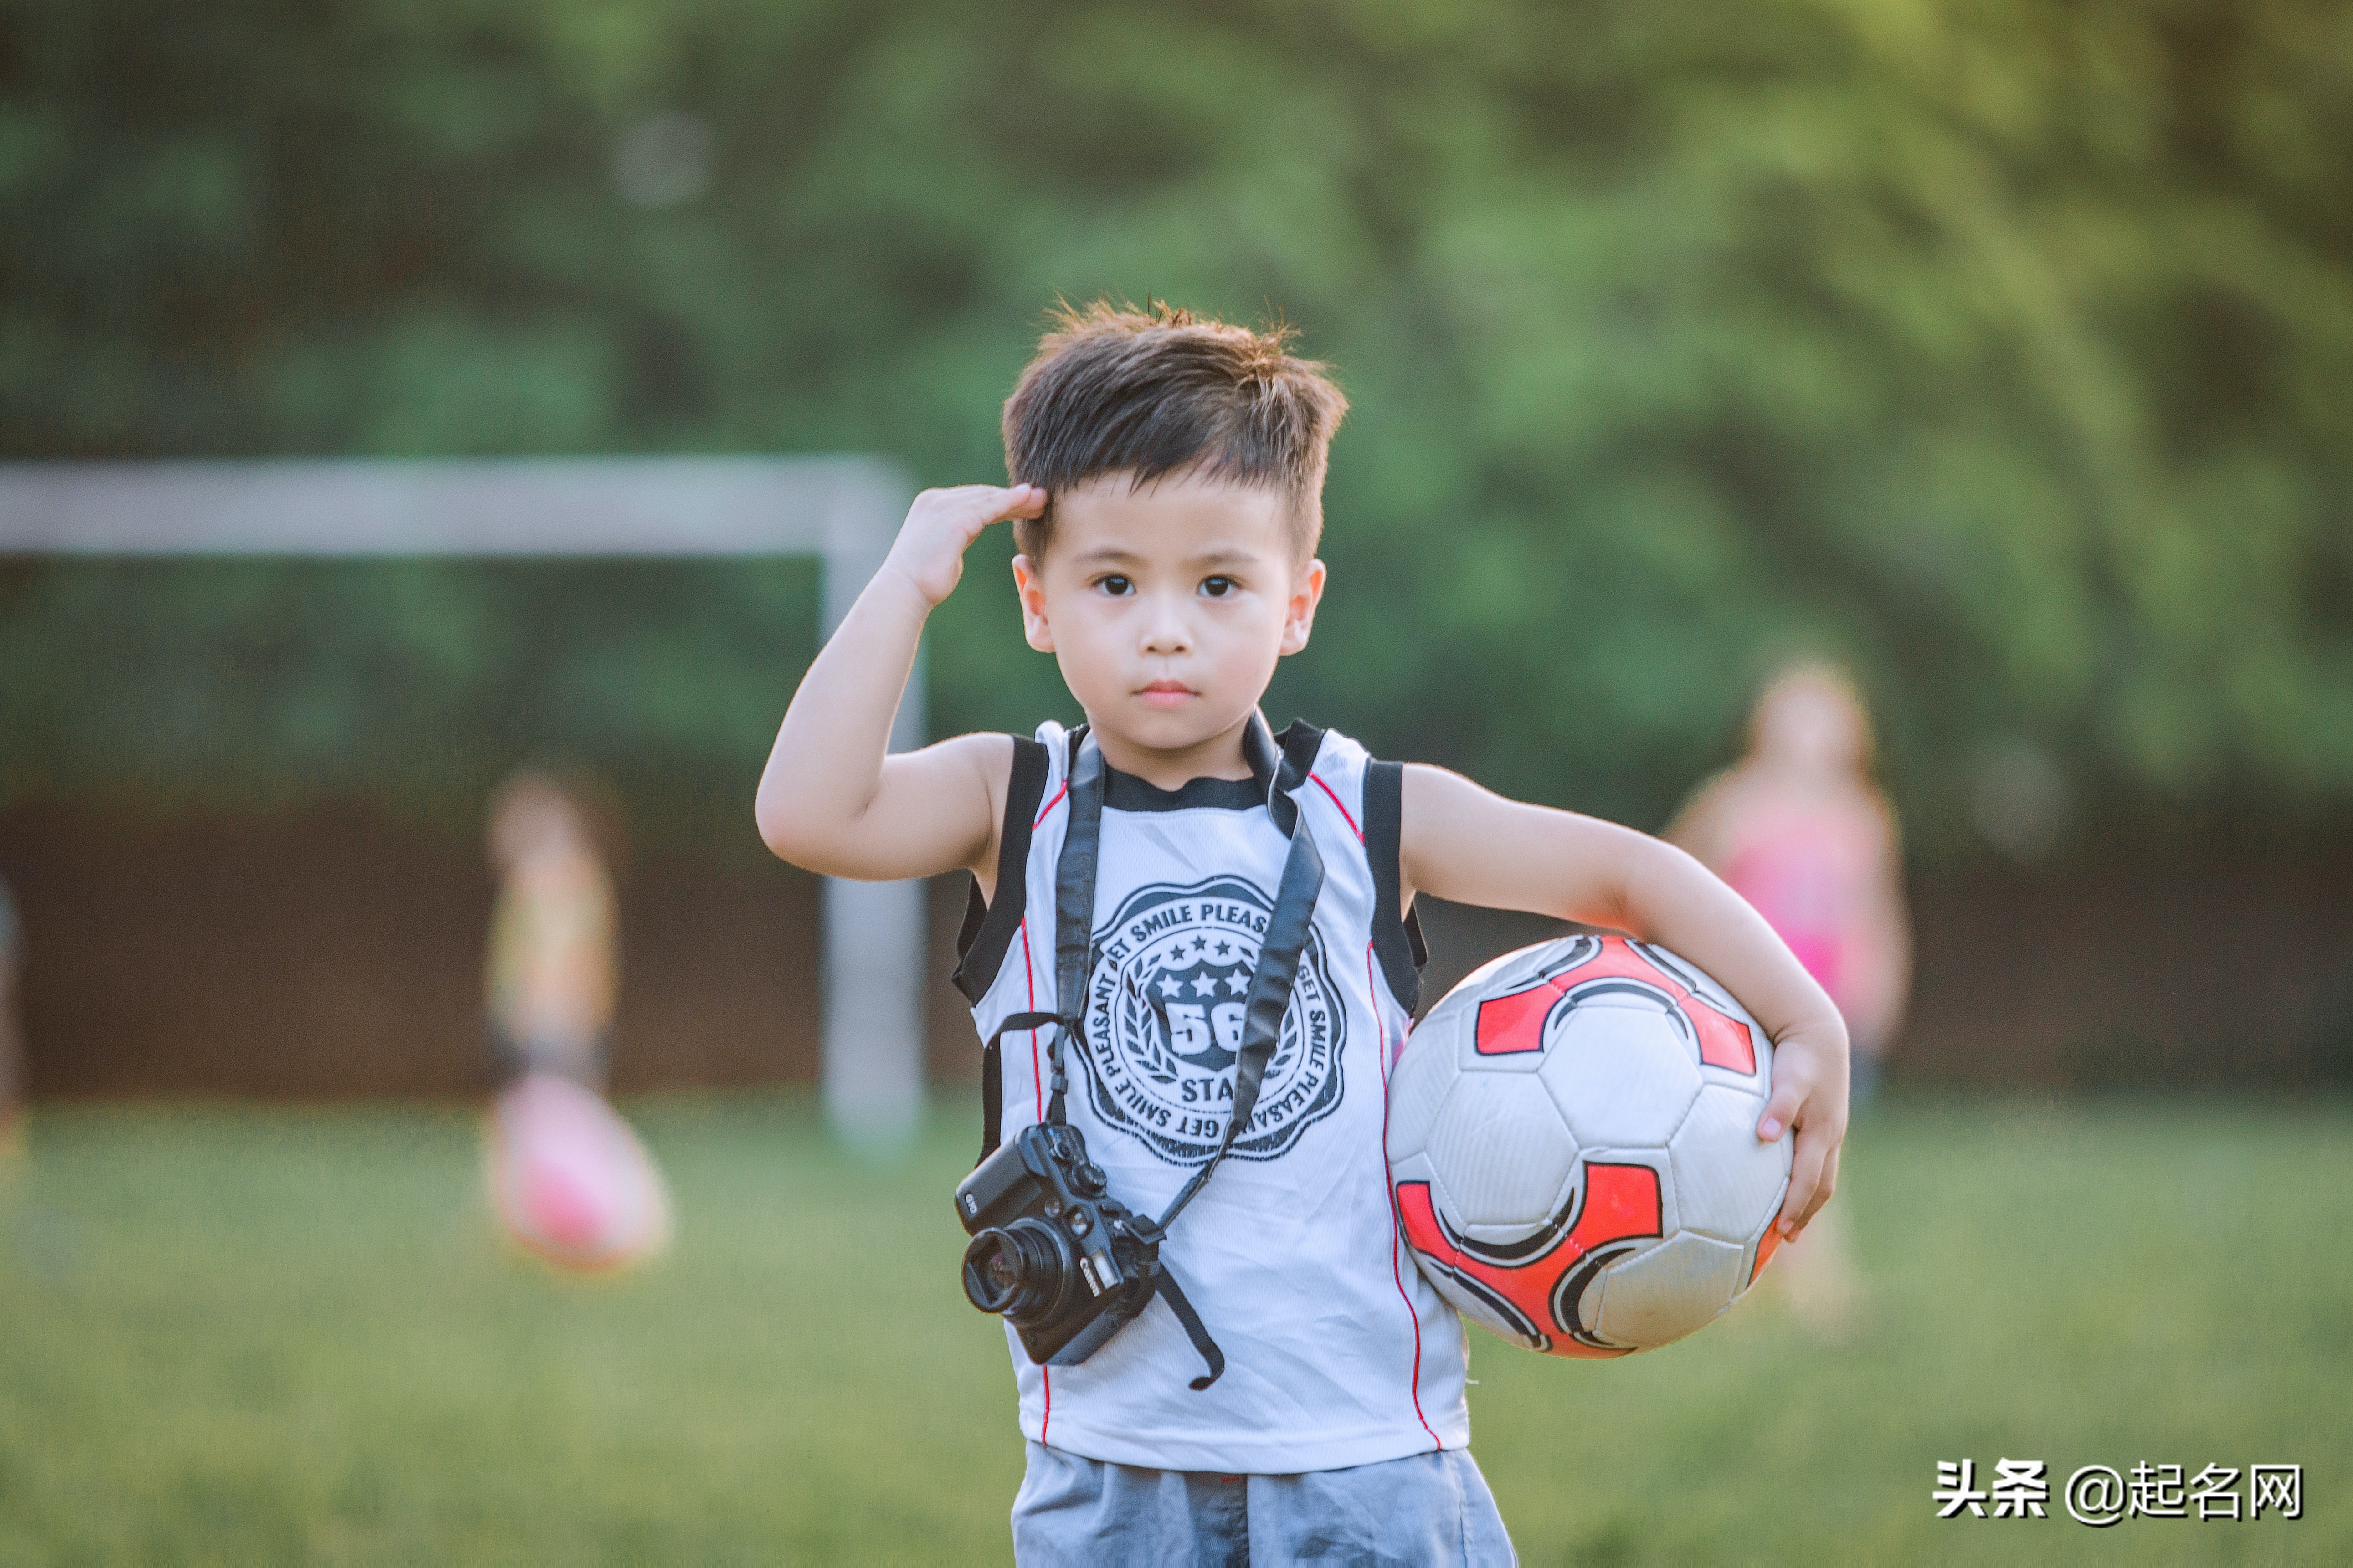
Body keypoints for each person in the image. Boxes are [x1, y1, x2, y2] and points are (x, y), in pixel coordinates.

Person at [755, 301, 1849, 1564]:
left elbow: (1626, 870)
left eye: (1218, 583)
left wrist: (1798, 1015)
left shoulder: (1366, 811)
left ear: (1297, 603)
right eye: (1112, 581)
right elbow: (805, 812)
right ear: (1035, 600)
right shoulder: (1012, 802)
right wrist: (905, 584)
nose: (1166, 626)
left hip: (1367, 1460)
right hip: (1110, 1464)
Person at [1667, 661, 1911, 1333]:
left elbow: (1877, 915)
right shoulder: (1735, 804)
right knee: (1766, 1144)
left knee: (1811, 1151)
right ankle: (1805, 1290)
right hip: (1742, 1003)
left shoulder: (1861, 818)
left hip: (1825, 1012)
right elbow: (1671, 877)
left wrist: (1879, 986)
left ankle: (1782, 1283)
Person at [483, 772, 671, 1271]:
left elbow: (578, 960)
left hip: (556, 1021)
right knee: (536, 1117)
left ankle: (561, 1220)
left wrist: (570, 1013)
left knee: (551, 1117)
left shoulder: (564, 882)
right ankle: (539, 1220)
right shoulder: (549, 882)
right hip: (543, 1020)